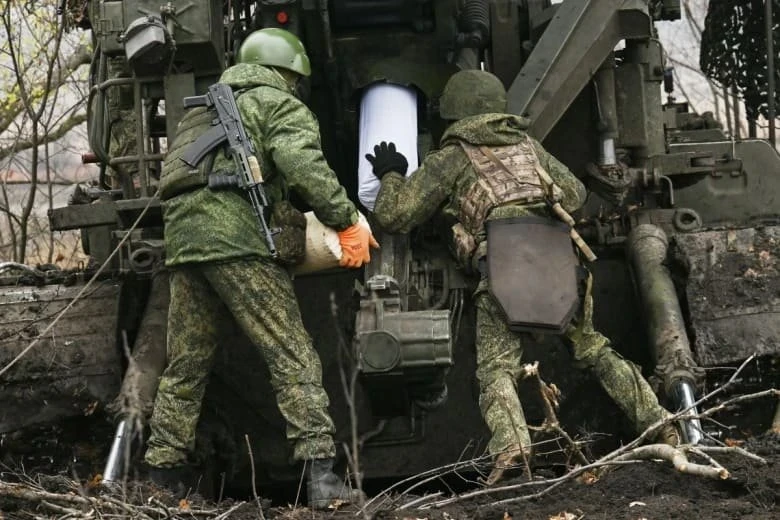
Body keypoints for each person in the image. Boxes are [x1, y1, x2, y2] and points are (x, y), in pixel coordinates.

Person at [365, 70, 679, 485]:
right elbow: (574, 195)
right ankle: (660, 422)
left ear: (455, 113)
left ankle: (512, 446)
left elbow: (395, 215)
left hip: (503, 267)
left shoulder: (453, 157)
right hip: (559, 262)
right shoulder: (529, 146)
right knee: (594, 350)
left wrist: (391, 173)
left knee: (497, 369)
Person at [143, 28, 376, 508]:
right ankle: (321, 478)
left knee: (185, 366)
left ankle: (161, 481)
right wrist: (347, 219)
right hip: (239, 244)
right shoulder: (277, 104)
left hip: (184, 247)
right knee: (292, 356)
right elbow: (304, 166)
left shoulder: (197, 112)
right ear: (288, 73)